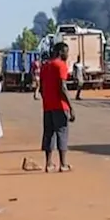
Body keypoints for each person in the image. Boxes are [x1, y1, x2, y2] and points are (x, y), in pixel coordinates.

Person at [39, 42, 76, 172]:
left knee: (48, 134)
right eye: (66, 52)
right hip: (60, 106)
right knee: (62, 133)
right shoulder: (61, 66)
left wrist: (46, 100)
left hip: (47, 107)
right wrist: (71, 107)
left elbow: (41, 89)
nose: (67, 54)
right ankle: (63, 164)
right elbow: (63, 88)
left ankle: (48, 164)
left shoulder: (45, 66)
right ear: (61, 52)